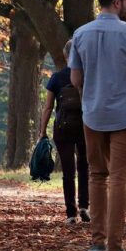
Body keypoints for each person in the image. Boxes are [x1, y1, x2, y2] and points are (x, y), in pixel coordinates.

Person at [69, 0, 126, 251]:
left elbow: (75, 78)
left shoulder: (80, 34)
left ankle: (97, 242)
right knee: (120, 179)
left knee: (97, 176)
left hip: (93, 114)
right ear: (118, 2)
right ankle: (115, 246)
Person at [38, 40, 89, 224]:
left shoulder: (56, 78)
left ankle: (71, 213)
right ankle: (84, 205)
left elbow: (48, 107)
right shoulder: (87, 75)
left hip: (63, 128)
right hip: (85, 126)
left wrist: (42, 131)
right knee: (85, 166)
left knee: (69, 171)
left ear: (66, 56)